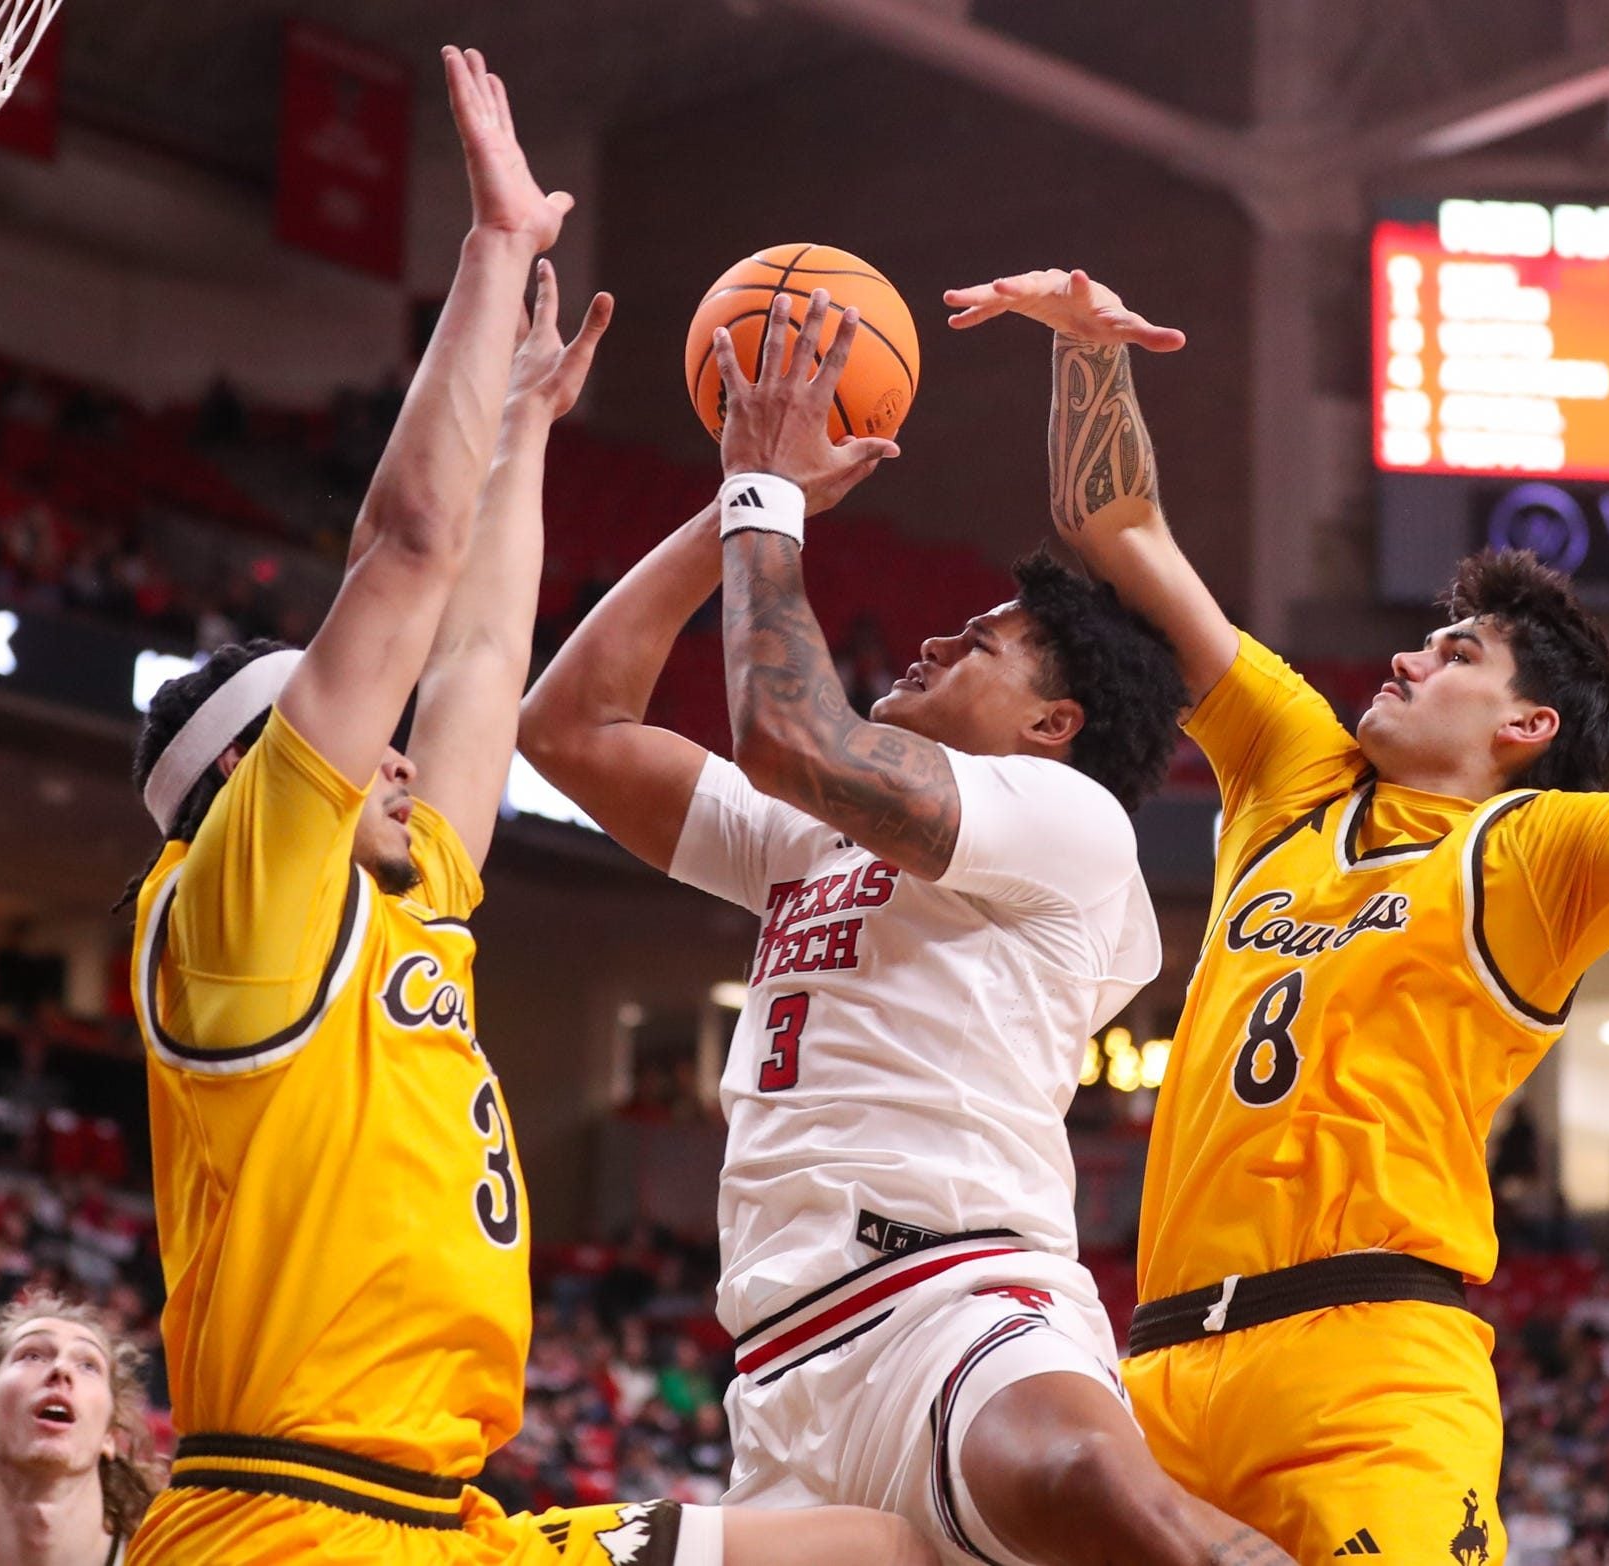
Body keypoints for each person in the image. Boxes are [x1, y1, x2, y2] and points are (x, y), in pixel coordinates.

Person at [945, 265, 1609, 1560]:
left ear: (1525, 725)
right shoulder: (1293, 771)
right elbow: (1120, 530)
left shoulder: (1544, 853)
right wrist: (1088, 350)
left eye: (1455, 652)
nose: (1407, 654)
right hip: (1155, 1362)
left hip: (1371, 1368)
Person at [120, 50, 926, 1566]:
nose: (404, 755)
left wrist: (557, 438)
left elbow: (488, 657)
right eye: (358, 739)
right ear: (252, 786)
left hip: (455, 1516)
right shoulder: (233, 913)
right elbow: (406, 554)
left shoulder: (404, 891)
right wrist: (494, 254)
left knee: (885, 1552)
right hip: (289, 1523)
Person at [519, 289, 1293, 1566]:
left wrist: (771, 500)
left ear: (1055, 726)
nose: (938, 634)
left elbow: (788, 737)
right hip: (781, 1378)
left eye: (984, 644)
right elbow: (571, 733)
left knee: (1101, 1492)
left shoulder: (1065, 821)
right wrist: (731, 507)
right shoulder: (804, 840)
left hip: (959, 1305)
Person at [0, 1295, 163, 1566]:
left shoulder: (171, 1557)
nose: (61, 1368)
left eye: (88, 1366)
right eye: (32, 1355)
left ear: (110, 1434)